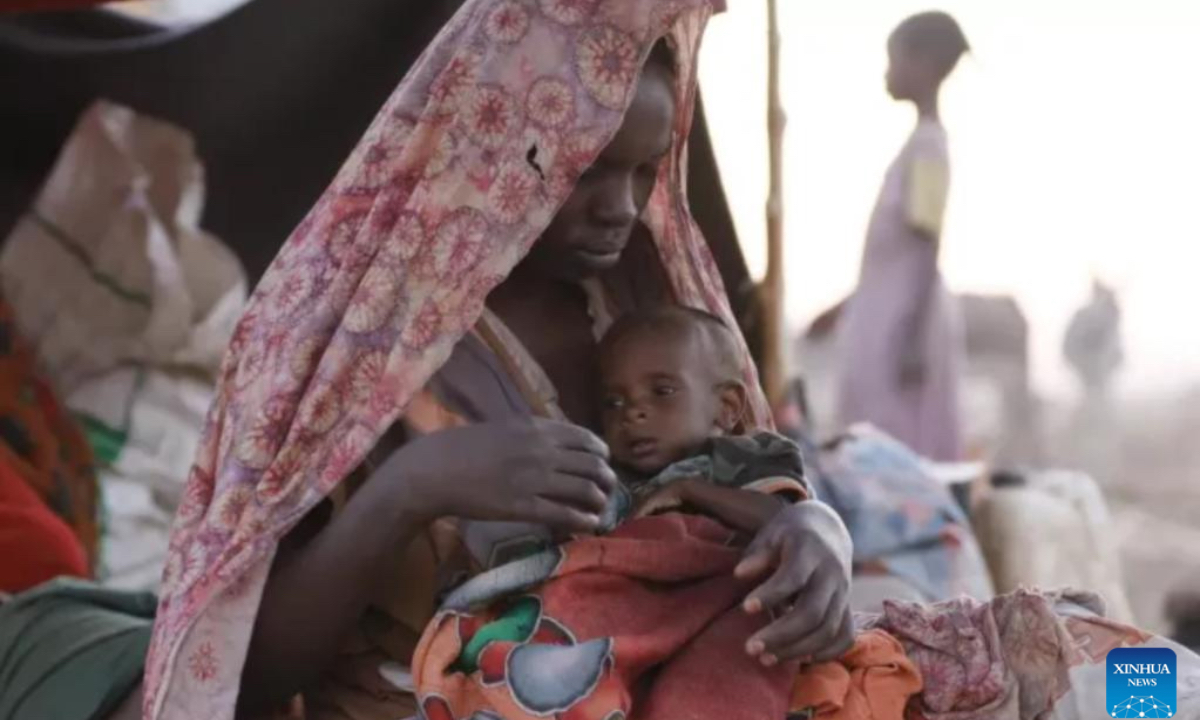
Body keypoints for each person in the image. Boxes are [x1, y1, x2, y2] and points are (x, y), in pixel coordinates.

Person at [142, 3, 855, 719]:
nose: (626, 209)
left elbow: (751, 478)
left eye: (644, 171)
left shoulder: (648, 304)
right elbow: (242, 681)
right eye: (585, 168)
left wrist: (816, 532)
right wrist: (409, 489)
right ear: (486, 136)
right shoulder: (342, 340)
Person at [836, 11, 969, 461]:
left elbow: (929, 243)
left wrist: (913, 336)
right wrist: (842, 307)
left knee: (898, 444)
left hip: (903, 324)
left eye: (894, 61)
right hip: (889, 318)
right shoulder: (918, 145)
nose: (887, 73)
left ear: (926, 64)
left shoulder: (929, 146)